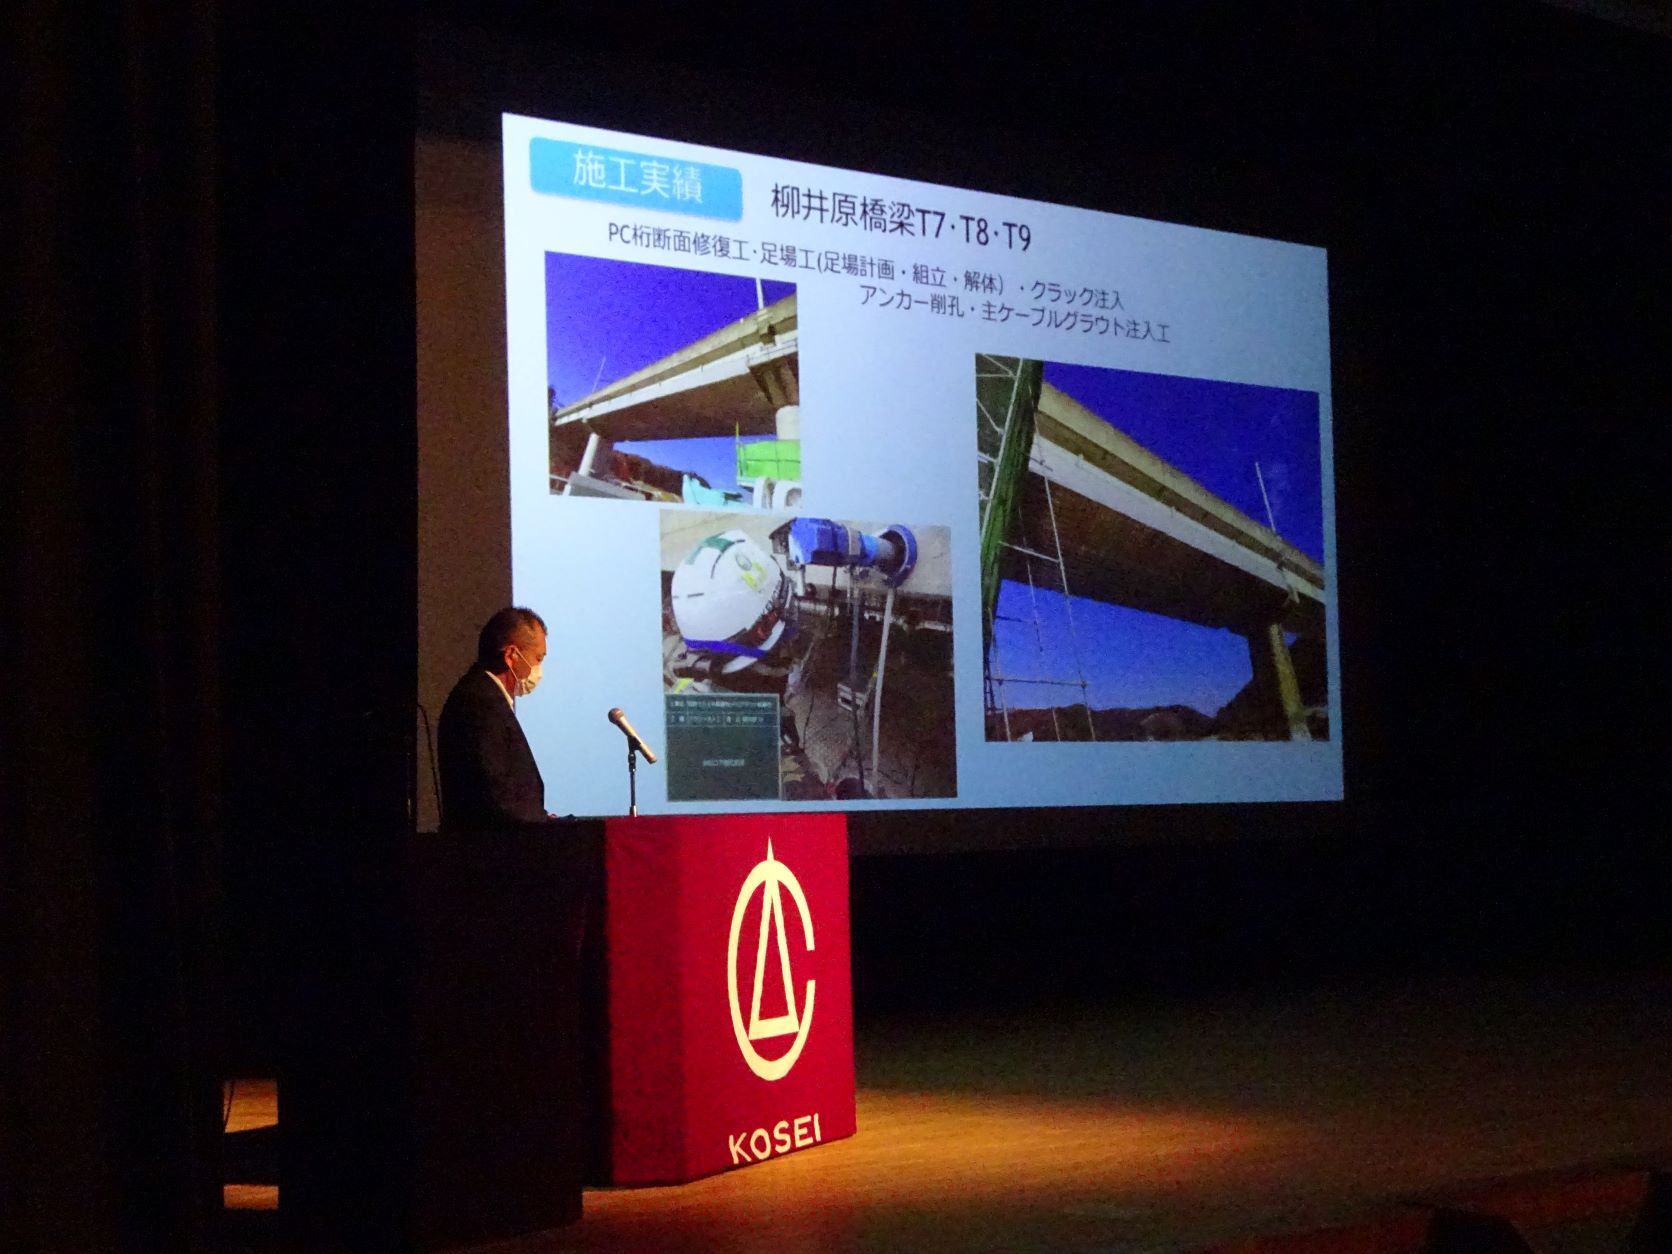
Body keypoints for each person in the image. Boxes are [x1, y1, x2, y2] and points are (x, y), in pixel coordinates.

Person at [438, 606, 556, 831]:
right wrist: (541, 822)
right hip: (489, 847)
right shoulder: (479, 702)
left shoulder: (486, 696)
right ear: (511, 656)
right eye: (538, 658)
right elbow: (494, 793)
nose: (538, 669)